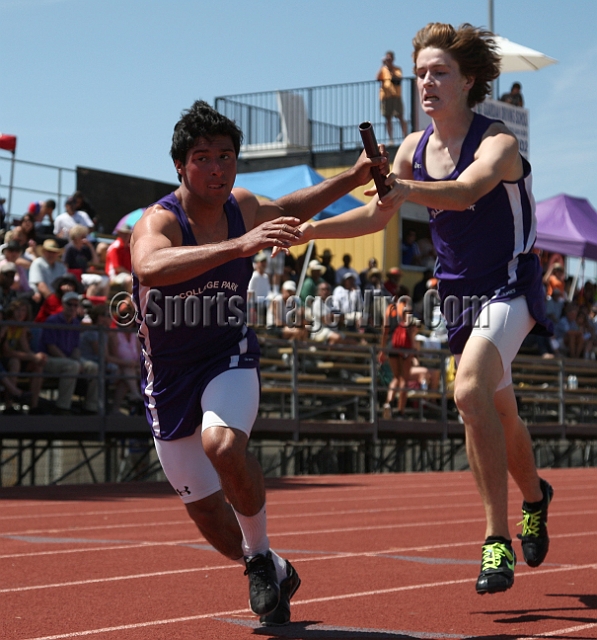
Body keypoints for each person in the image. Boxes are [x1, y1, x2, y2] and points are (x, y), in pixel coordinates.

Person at [295, 23, 554, 596]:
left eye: (440, 72)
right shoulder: (412, 148)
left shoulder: (499, 144)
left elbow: (465, 192)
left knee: (467, 395)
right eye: (421, 74)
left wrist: (404, 189)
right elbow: (375, 216)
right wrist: (311, 227)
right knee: (500, 409)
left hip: (510, 287)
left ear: (468, 82)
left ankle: (494, 542)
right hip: (460, 300)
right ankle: (535, 497)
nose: (427, 82)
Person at [129, 100, 393, 624]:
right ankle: (269, 563)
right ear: (180, 166)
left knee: (222, 443)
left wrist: (352, 176)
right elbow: (149, 265)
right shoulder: (161, 220)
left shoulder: (242, 206)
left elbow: (294, 206)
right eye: (202, 158)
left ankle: (258, 557)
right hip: (168, 376)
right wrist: (238, 246)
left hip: (228, 355)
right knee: (208, 516)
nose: (216, 168)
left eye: (226, 156)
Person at [40, 291, 98, 415]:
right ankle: (62, 407)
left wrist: (76, 360)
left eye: (75, 305)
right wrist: (73, 362)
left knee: (93, 367)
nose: (72, 307)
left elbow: (76, 348)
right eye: (69, 304)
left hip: (68, 358)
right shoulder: (52, 321)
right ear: (63, 305)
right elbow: (51, 347)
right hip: (49, 359)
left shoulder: (76, 323)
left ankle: (90, 407)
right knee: (72, 366)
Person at [377, 50, 408, 143]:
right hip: (385, 97)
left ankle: (405, 136)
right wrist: (382, 65)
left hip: (396, 96)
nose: (388, 60)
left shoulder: (397, 69)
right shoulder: (383, 70)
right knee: (388, 118)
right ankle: (391, 139)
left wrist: (390, 70)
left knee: (400, 116)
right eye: (387, 58)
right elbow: (378, 78)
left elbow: (398, 78)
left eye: (390, 58)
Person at [28, 239, 68, 304]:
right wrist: (53, 301)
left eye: (54, 252)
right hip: (41, 300)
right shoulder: (38, 263)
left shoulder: (61, 267)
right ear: (43, 252)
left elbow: (65, 284)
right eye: (49, 252)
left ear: (57, 254)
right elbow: (40, 286)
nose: (51, 254)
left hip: (58, 299)